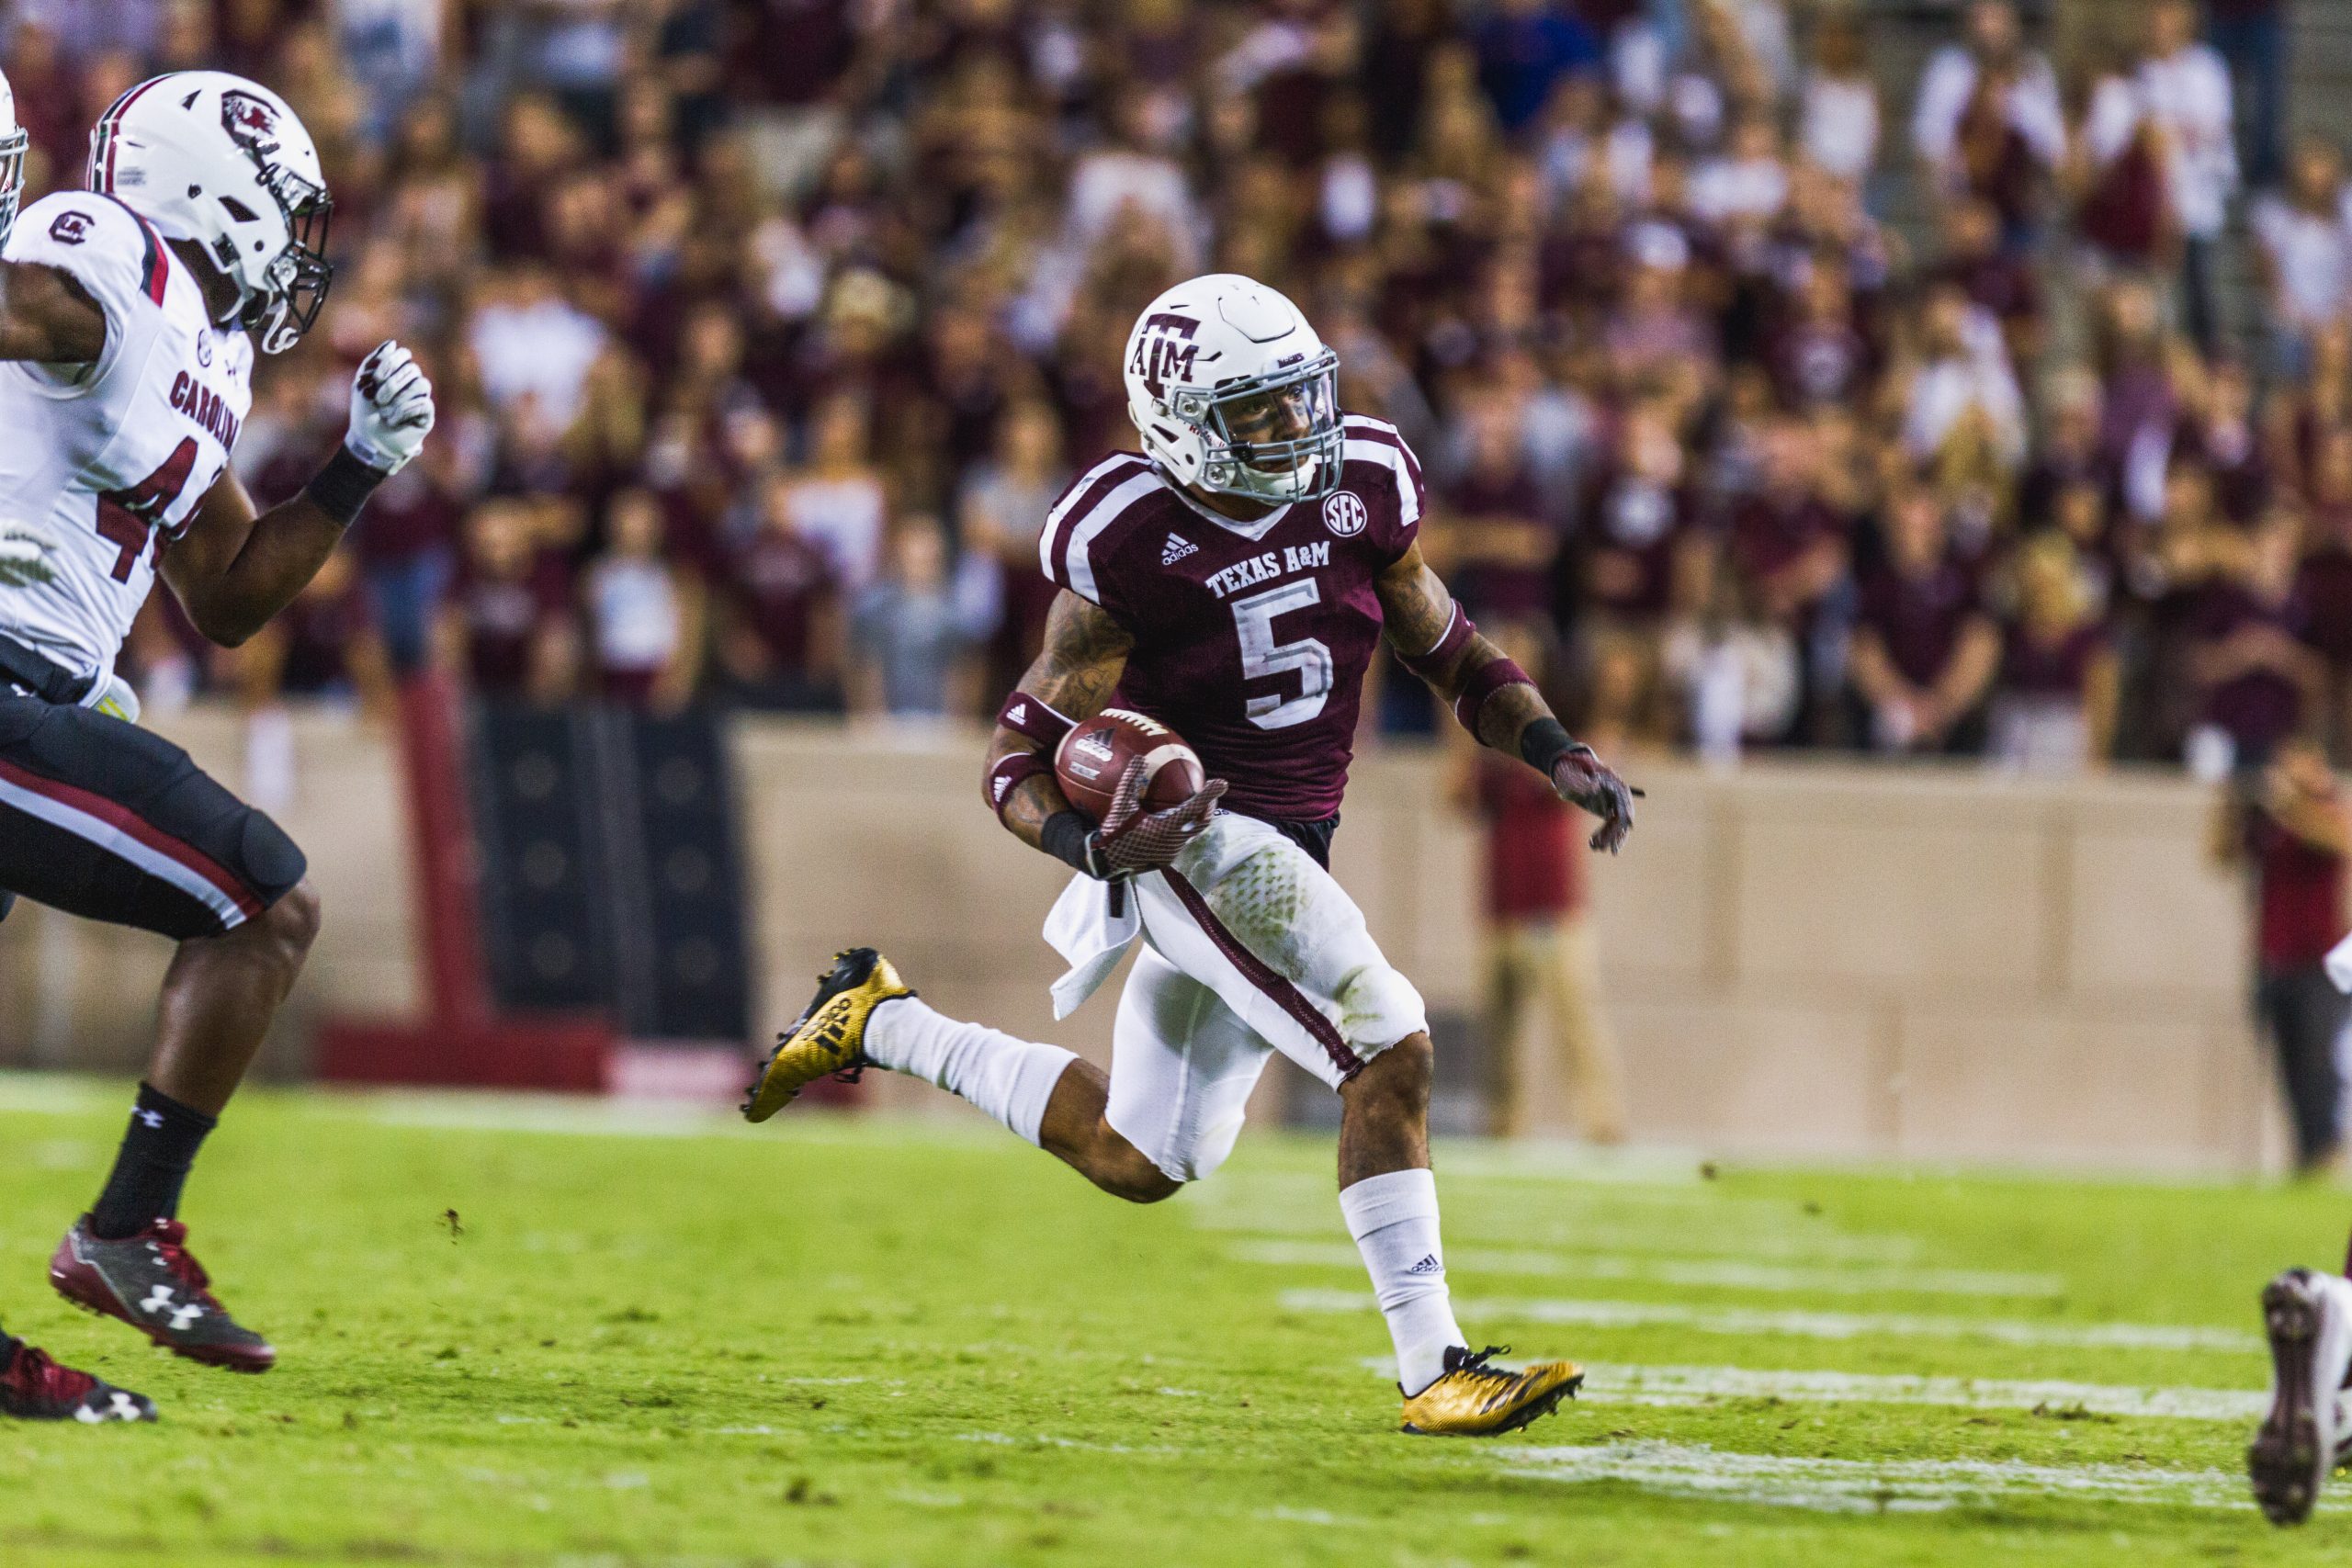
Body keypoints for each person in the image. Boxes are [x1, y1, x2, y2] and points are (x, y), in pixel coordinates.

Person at [743, 275, 1639, 1437]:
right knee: (1388, 1042)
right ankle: (1435, 1366)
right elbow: (1015, 756)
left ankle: (877, 1019)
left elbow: (1454, 653)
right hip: (1198, 839)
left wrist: (1555, 747)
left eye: (1301, 397)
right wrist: (1092, 845)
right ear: (1180, 420)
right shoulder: (1129, 538)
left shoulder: (1361, 481)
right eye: (1261, 412)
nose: (1298, 429)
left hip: (1291, 841)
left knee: (1141, 1157)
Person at [0, 72, 434, 1407]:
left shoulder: (205, 351)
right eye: (286, 215)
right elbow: (30, 308)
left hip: (44, 687)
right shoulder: (106, 249)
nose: (298, 250)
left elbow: (230, 589)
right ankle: (126, 1228)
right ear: (218, 190)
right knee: (264, 898)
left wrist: (352, 469)